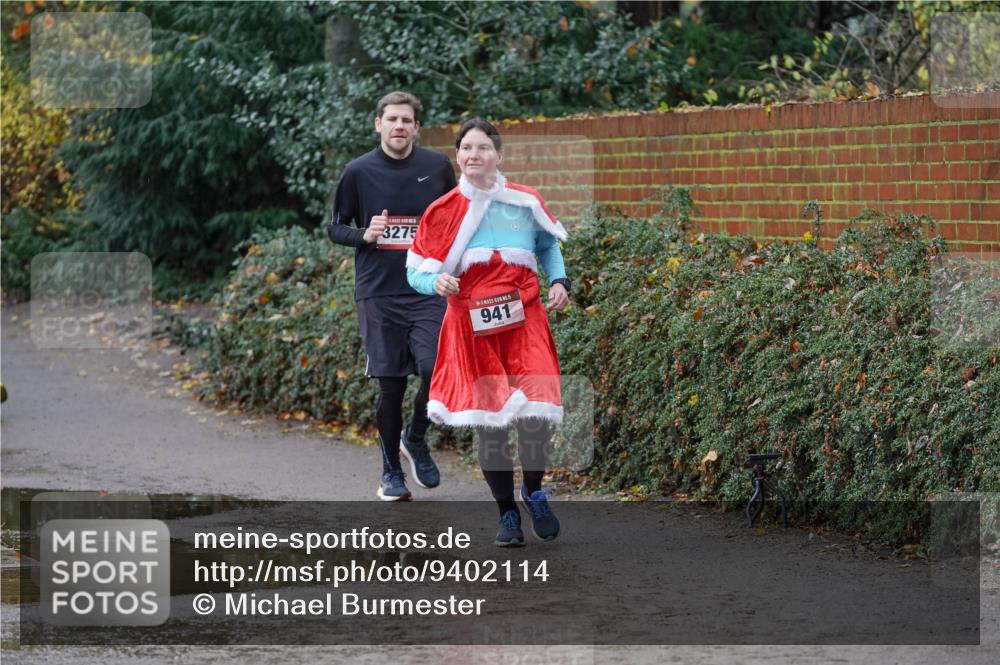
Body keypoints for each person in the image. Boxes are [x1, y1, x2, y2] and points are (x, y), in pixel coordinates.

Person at [406, 118, 571, 546]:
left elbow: (548, 246)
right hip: (471, 326)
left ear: (499, 155)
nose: (474, 155)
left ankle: (533, 491)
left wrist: (558, 281)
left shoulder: (524, 201)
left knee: (536, 411)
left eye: (482, 148)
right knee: (491, 423)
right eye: (466, 148)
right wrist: (436, 282)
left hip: (525, 319)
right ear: (457, 156)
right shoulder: (442, 211)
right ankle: (507, 514)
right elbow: (416, 271)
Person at [326, 91, 457, 501]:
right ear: (378, 124)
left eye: (406, 120)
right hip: (379, 292)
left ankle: (414, 436)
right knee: (391, 385)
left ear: (417, 127)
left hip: (426, 288)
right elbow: (335, 228)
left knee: (435, 368)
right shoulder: (357, 172)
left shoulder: (437, 168)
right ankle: (390, 473)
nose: (399, 126)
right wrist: (364, 235)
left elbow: (455, 222)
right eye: (392, 119)